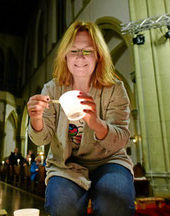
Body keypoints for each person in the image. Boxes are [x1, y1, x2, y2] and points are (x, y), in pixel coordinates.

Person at [27, 21, 135, 215]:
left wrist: (95, 122)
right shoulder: (52, 89)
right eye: (74, 51)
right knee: (61, 207)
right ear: (65, 56)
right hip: (65, 165)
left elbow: (121, 139)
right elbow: (41, 138)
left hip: (109, 161)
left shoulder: (115, 89)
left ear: (98, 56)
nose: (80, 58)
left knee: (115, 203)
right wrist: (36, 119)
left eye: (87, 51)